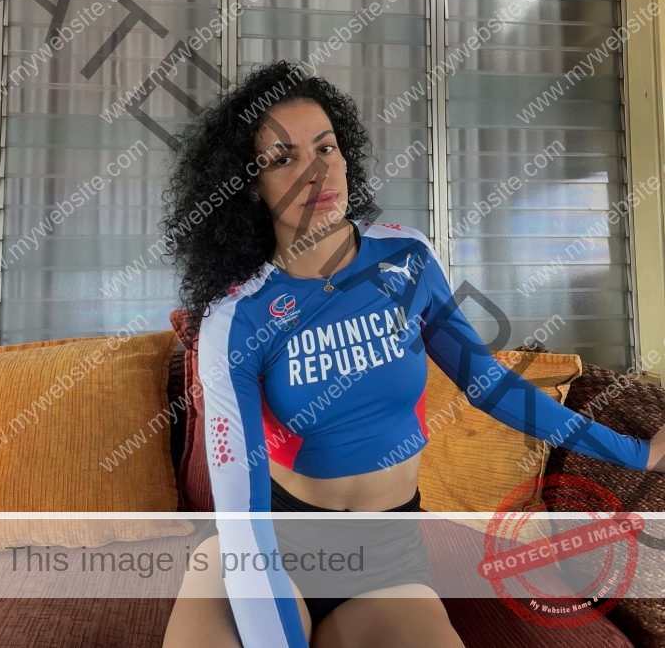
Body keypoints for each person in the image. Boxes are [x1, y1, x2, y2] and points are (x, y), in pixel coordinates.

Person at [161, 60, 665, 648]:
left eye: (325, 147)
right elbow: (244, 520)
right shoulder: (236, 317)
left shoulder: (407, 258)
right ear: (252, 185)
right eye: (283, 159)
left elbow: (488, 384)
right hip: (269, 545)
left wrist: (636, 452)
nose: (315, 171)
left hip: (387, 557)